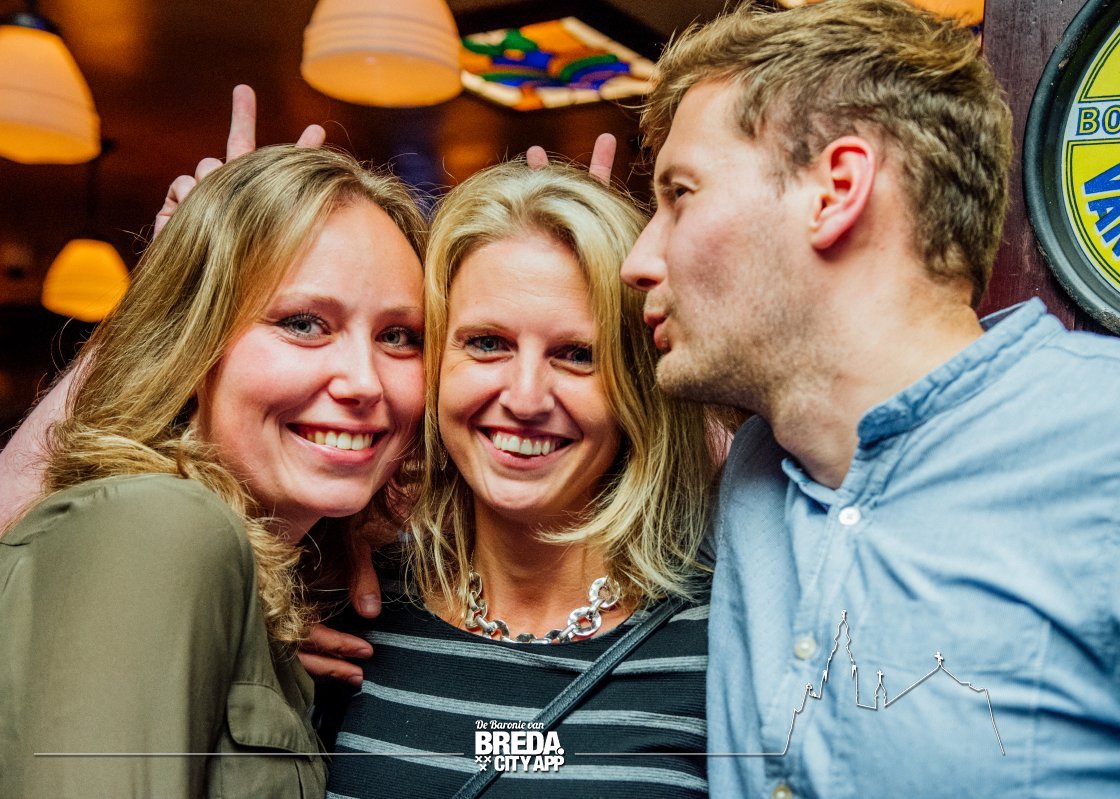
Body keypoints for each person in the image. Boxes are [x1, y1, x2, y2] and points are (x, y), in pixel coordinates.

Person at [618, 0, 1120, 795]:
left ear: (836, 189)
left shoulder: (1101, 438)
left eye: (680, 194)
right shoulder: (755, 469)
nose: (638, 262)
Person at [0, 144, 428, 797]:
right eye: (304, 324)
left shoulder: (235, 575)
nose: (365, 381)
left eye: (399, 336)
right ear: (193, 342)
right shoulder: (159, 524)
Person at [321, 159, 726, 798]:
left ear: (636, 386)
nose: (527, 398)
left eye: (578, 354)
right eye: (488, 343)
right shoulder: (342, 607)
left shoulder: (721, 639)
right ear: (433, 363)